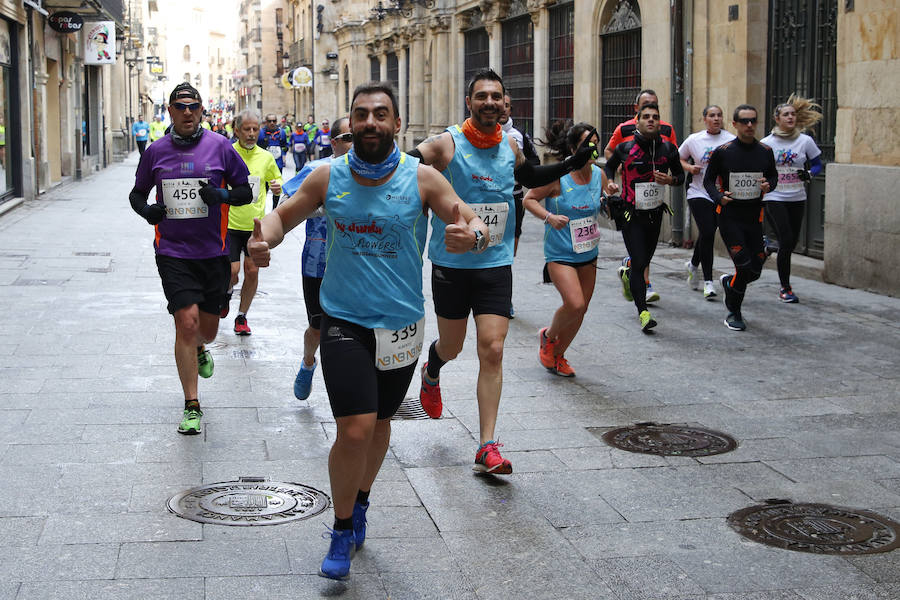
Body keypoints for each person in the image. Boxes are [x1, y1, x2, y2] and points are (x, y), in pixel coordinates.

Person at [248, 82, 488, 580]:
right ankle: (340, 528)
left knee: (379, 425)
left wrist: (475, 235)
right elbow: (281, 218)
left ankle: (360, 501)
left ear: (397, 124)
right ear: (351, 124)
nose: (371, 122)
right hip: (343, 321)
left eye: (381, 114)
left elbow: (471, 218)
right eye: (362, 115)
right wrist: (261, 240)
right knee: (354, 428)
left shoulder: (422, 179)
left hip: (401, 327)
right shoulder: (327, 176)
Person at [408, 68, 594, 474]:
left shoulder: (511, 145)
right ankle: (433, 368)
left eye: (496, 96)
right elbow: (407, 168)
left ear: (504, 102)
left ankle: (487, 445)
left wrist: (572, 163)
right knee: (453, 347)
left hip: (494, 264)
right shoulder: (446, 144)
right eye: (481, 96)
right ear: (469, 102)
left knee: (492, 349)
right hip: (451, 266)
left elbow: (530, 177)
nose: (489, 103)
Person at [128, 82, 252, 434]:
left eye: (193, 106)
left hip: (214, 252)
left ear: (201, 111)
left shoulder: (221, 147)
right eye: (180, 106)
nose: (186, 112)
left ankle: (201, 348)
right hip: (172, 252)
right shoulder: (155, 151)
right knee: (186, 322)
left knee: (207, 330)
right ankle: (192, 405)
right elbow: (137, 195)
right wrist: (148, 212)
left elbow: (245, 191)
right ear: (169, 111)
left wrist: (222, 195)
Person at [524, 122, 605, 376]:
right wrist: (549, 217)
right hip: (561, 253)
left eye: (595, 142)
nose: (592, 148)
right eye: (586, 143)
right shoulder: (559, 177)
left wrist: (610, 198)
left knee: (581, 310)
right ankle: (548, 336)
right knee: (575, 303)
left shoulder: (599, 175)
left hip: (589, 252)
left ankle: (559, 355)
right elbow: (528, 199)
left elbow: (600, 201)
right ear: (573, 148)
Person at [283, 117, 353, 400]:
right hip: (317, 263)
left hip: (355, 265)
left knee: (350, 328)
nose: (356, 142)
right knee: (317, 326)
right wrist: (318, 208)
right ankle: (308, 363)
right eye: (349, 136)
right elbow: (285, 207)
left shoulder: (374, 173)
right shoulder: (315, 169)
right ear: (334, 142)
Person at [603, 103, 685, 332]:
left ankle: (629, 273)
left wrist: (670, 181)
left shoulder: (669, 150)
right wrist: (610, 182)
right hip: (631, 214)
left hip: (656, 214)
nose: (651, 120)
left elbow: (681, 177)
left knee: (643, 261)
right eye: (646, 117)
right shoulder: (625, 148)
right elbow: (609, 168)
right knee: (639, 262)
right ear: (637, 122)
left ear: (660, 122)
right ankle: (643, 312)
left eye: (655, 117)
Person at [703, 104, 778, 331]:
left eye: (753, 121)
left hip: (755, 218)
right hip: (729, 218)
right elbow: (708, 180)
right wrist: (718, 197)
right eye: (744, 121)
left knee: (754, 271)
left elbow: (773, 177)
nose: (749, 125)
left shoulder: (765, 151)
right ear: (734, 124)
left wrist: (768, 185)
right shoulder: (723, 151)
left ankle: (729, 283)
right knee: (744, 267)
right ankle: (734, 311)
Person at [223, 109, 283, 334]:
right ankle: (227, 293)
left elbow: (276, 179)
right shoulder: (227, 153)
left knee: (252, 271)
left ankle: (242, 317)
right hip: (228, 224)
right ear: (236, 130)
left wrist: (277, 186)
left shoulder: (266, 157)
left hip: (254, 226)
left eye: (255, 129)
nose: (250, 133)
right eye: (246, 129)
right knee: (232, 271)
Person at [761, 95, 824, 303]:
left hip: (797, 196)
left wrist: (810, 174)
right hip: (774, 196)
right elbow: (757, 167)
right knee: (787, 240)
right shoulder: (766, 144)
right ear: (776, 119)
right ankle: (785, 288)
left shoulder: (805, 141)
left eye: (793, 114)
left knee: (791, 242)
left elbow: (817, 163)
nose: (790, 117)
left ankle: (771, 247)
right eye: (786, 114)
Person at [679, 105, 736, 299]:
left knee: (707, 232)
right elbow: (678, 158)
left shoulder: (731, 140)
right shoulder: (695, 140)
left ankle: (693, 265)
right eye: (712, 115)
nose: (716, 118)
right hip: (699, 192)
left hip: (720, 194)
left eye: (719, 115)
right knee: (709, 232)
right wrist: (689, 167)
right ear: (705, 119)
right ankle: (709, 282)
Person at [258, 113, 288, 208]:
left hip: (277, 165)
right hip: (264, 165)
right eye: (269, 121)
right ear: (266, 122)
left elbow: (284, 146)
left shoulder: (282, 133)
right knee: (264, 187)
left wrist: (283, 155)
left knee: (276, 187)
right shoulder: (260, 133)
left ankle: (274, 209)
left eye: (274, 121)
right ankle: (261, 207)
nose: (272, 123)